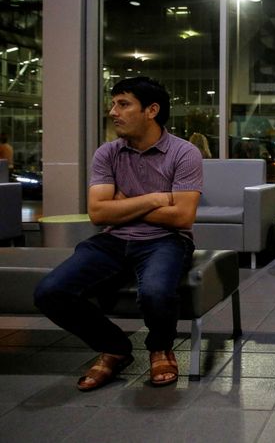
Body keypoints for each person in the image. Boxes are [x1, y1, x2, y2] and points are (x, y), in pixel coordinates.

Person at [34, 77, 203, 391]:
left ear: (151, 110)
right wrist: (154, 198)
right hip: (112, 239)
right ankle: (115, 347)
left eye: (123, 104)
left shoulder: (184, 153)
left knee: (155, 292)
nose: (113, 112)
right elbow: (98, 214)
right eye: (113, 104)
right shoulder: (107, 153)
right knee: (50, 291)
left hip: (165, 240)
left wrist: (124, 203)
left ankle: (159, 347)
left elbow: (182, 216)